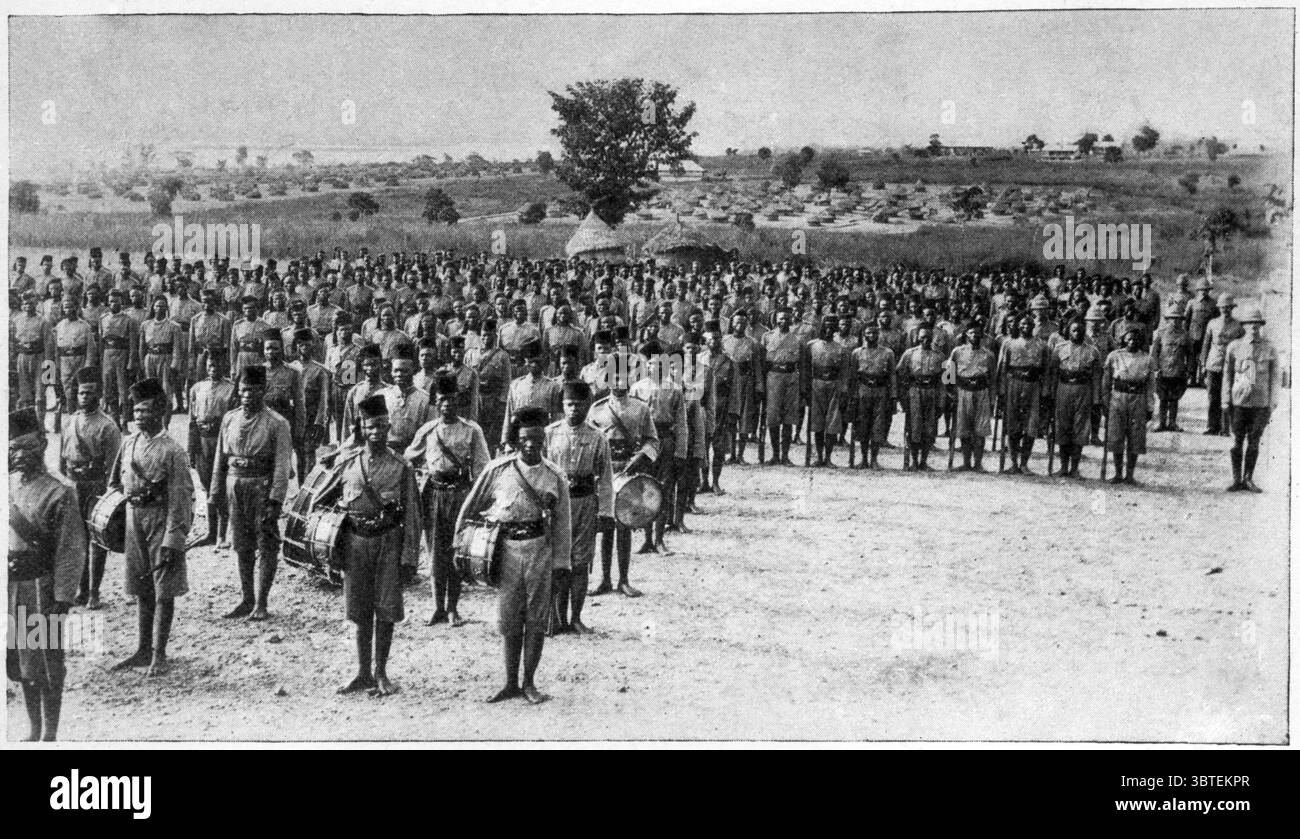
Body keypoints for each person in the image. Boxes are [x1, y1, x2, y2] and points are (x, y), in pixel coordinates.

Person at [458, 407, 572, 705]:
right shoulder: (497, 470)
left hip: (540, 552)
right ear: (516, 440)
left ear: (544, 439)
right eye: (525, 438)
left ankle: (529, 682)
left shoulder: (555, 475)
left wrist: (562, 564)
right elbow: (468, 510)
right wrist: (464, 546)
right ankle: (509, 683)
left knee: (536, 620)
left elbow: (563, 525)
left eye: (537, 438)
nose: (531, 444)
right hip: (506, 552)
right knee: (509, 620)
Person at [311, 395, 423, 695]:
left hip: (388, 543)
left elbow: (412, 514)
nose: (377, 432)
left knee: (386, 610)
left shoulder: (402, 467)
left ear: (389, 427)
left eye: (382, 427)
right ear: (361, 427)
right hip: (355, 544)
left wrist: (409, 556)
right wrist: (330, 537)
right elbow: (321, 500)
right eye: (371, 427)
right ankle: (362, 673)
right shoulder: (347, 463)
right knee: (359, 611)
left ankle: (382, 672)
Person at [7, 408, 86, 740]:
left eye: (28, 447)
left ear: (42, 444)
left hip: (42, 589)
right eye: (14, 448)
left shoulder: (60, 492)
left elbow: (71, 550)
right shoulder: (7, 486)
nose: (21, 455)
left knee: (47, 662)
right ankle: (33, 727)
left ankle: (50, 734)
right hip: (11, 588)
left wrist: (63, 598)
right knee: (19, 662)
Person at [106, 378, 193, 676]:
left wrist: (174, 538)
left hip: (160, 520)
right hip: (134, 521)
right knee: (142, 587)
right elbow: (115, 483)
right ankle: (142, 649)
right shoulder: (129, 442)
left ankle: (159, 654)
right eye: (135, 411)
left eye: (144, 411)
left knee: (163, 590)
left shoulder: (173, 451)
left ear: (159, 411)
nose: (138, 416)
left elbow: (181, 499)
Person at [405, 374, 489, 627]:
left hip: (460, 495)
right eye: (441, 400)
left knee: (455, 552)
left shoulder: (471, 430)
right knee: (434, 554)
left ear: (458, 401)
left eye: (451, 400)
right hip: (433, 495)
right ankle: (436, 607)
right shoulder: (427, 431)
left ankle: (453, 608)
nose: (446, 405)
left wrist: (477, 504)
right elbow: (408, 457)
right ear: (435, 402)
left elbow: (483, 469)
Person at [211, 365, 294, 621]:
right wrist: (216, 491)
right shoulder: (230, 419)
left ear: (264, 391)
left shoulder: (277, 423)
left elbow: (282, 466)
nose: (248, 396)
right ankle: (246, 598)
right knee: (242, 545)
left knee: (266, 544)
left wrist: (275, 500)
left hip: (262, 487)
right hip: (235, 485)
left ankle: (261, 602)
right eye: (244, 390)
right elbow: (220, 458)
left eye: (254, 390)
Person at [544, 380, 614, 635]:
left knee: (581, 562)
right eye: (570, 404)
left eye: (580, 405)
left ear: (588, 407)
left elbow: (605, 478)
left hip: (585, 502)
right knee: (557, 560)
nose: (574, 410)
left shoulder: (597, 437)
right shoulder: (550, 434)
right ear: (562, 406)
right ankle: (556, 616)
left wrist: (606, 512)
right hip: (558, 504)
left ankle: (576, 617)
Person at [587, 368, 658, 598]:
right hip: (604, 473)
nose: (619, 383)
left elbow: (653, 441)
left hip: (628, 470)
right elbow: (587, 440)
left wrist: (640, 457)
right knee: (606, 525)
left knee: (625, 525)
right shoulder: (597, 409)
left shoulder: (641, 408)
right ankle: (605, 579)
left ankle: (624, 580)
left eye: (623, 378)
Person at [59, 367, 121, 608]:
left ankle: (94, 591)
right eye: (81, 393)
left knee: (96, 538)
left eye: (90, 394)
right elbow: (62, 462)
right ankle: (81, 590)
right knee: (76, 541)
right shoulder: (69, 422)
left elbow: (114, 468)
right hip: (74, 485)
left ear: (99, 396)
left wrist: (108, 496)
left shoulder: (108, 426)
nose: (85, 397)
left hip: (96, 486)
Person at [630, 341, 687, 553]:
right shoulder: (637, 388)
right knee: (645, 488)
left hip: (665, 441)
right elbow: (632, 419)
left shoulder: (675, 389)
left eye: (659, 364)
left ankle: (659, 539)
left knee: (663, 488)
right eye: (651, 364)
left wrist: (680, 452)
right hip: (645, 443)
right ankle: (646, 539)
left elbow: (681, 424)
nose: (655, 368)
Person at [1222, 305, 1279, 492]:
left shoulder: (1269, 348)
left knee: (1254, 441)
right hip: (1239, 402)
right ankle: (1236, 479)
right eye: (1249, 324)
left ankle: (1248, 478)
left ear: (1260, 326)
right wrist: (1225, 399)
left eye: (1256, 324)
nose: (1253, 328)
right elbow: (1227, 375)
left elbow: (1274, 377)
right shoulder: (1234, 347)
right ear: (1244, 326)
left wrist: (1272, 401)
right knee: (1236, 441)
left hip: (1260, 403)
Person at [188, 357, 238, 548]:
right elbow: (192, 421)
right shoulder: (197, 388)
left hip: (220, 441)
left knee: (222, 486)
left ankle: (223, 533)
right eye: (210, 365)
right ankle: (211, 531)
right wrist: (191, 449)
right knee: (206, 485)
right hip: (202, 441)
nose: (213, 368)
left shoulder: (230, 389)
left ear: (224, 366)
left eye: (217, 364)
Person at [1047, 318, 1103, 478]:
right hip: (1063, 389)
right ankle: (1063, 467)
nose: (1077, 333)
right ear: (1068, 331)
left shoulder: (1093, 351)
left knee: (1080, 427)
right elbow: (1052, 373)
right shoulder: (1059, 349)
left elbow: (1097, 377)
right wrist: (1051, 393)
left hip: (1083, 390)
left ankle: (1075, 468)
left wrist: (1096, 398)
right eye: (1073, 330)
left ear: (1084, 332)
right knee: (1063, 426)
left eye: (1080, 330)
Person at [1101, 327, 1156, 485]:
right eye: (1129, 339)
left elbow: (1151, 386)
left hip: (1138, 399)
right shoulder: (1114, 356)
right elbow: (1106, 383)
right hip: (1118, 398)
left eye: (1136, 339)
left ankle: (1130, 475)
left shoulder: (1147, 359)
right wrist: (1105, 403)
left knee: (1136, 436)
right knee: (1117, 435)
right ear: (1124, 340)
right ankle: (1118, 473)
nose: (1132, 342)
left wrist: (1150, 407)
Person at [997, 314, 1051, 474]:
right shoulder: (1008, 344)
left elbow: (1047, 370)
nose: (1026, 327)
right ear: (1018, 326)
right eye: (1022, 324)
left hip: (1033, 386)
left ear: (1033, 326)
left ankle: (1024, 463)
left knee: (1031, 425)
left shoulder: (1042, 345)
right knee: (1012, 424)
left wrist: (1045, 390)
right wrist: (1001, 391)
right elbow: (1002, 368)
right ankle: (1013, 462)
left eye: (1029, 324)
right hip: (1013, 384)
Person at [947, 324, 997, 472]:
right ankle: (966, 462)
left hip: (981, 391)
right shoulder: (957, 352)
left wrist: (992, 399)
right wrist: (951, 393)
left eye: (977, 333)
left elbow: (993, 378)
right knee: (963, 428)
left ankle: (978, 463)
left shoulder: (988, 355)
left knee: (980, 430)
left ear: (981, 335)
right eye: (971, 333)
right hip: (963, 391)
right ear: (966, 335)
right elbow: (948, 373)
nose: (974, 336)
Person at [896, 326, 946, 470]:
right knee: (914, 427)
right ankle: (914, 461)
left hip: (932, 392)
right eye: (922, 337)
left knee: (929, 429)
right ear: (917, 337)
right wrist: (903, 396)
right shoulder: (909, 354)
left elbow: (948, 379)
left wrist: (942, 401)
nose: (925, 340)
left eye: (928, 338)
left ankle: (924, 461)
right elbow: (900, 374)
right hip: (914, 392)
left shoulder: (940, 356)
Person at [805, 316, 853, 467]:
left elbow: (845, 372)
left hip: (834, 385)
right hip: (816, 384)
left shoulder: (841, 349)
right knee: (817, 422)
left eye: (832, 327)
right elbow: (806, 369)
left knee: (832, 422)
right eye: (826, 327)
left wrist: (844, 389)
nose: (828, 330)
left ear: (835, 330)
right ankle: (819, 457)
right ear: (821, 327)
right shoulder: (812, 346)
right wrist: (806, 389)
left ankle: (828, 457)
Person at [761, 307, 805, 465]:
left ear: (791, 319)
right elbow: (763, 363)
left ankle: (785, 456)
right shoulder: (767, 337)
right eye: (780, 318)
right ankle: (774, 455)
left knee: (789, 416)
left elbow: (803, 364)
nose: (783, 321)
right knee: (773, 417)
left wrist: (803, 386)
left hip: (791, 378)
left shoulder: (798, 339)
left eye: (786, 318)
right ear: (775, 319)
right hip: (773, 377)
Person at [851, 323, 898, 469]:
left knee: (878, 425)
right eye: (868, 333)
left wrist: (893, 396)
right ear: (863, 335)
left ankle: (874, 459)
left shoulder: (888, 353)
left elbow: (892, 376)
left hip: (881, 390)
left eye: (874, 333)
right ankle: (864, 459)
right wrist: (852, 395)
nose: (871, 336)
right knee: (863, 425)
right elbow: (853, 376)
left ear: (879, 335)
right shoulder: (857, 353)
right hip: (863, 390)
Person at [501, 338, 562, 450]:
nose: (534, 365)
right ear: (525, 362)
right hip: (519, 437)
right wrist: (506, 440)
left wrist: (556, 442)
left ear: (543, 361)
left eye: (538, 361)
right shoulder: (515, 385)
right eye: (530, 361)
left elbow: (556, 418)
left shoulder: (552, 386)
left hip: (543, 439)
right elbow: (509, 414)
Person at [722, 310, 763, 464]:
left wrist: (759, 386)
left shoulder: (752, 343)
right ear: (732, 324)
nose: (740, 325)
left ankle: (740, 455)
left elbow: (757, 366)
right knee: (730, 419)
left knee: (745, 419)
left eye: (743, 323)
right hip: (730, 384)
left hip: (746, 383)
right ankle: (731, 454)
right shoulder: (725, 341)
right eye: (737, 322)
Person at [699, 321, 735, 493]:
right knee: (702, 447)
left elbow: (735, 389)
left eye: (718, 339)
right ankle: (703, 481)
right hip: (702, 408)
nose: (715, 342)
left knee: (719, 449)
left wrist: (733, 411)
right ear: (705, 340)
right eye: (711, 339)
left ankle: (716, 482)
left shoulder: (728, 362)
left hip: (721, 408)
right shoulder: (698, 359)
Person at [292, 327, 332, 477]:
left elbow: (323, 400)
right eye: (301, 344)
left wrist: (320, 423)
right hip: (296, 419)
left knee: (309, 457)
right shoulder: (291, 368)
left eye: (308, 344)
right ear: (296, 346)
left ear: (313, 346)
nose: (304, 348)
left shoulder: (320, 371)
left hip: (311, 418)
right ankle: (302, 492)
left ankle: (310, 494)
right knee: (299, 456)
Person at [1200, 294, 1243, 437]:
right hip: (1213, 364)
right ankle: (1212, 426)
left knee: (1228, 396)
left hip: (1230, 365)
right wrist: (1203, 365)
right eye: (1223, 307)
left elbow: (1242, 346)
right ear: (1219, 308)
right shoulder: (1212, 323)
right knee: (1212, 397)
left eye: (1228, 307)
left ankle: (1225, 428)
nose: (1226, 310)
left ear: (1232, 308)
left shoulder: (1238, 325)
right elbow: (1206, 345)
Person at [100, 288, 141, 429]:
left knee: (123, 390)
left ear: (122, 302)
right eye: (111, 301)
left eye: (116, 301)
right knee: (109, 390)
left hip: (122, 355)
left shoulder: (129, 320)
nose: (113, 304)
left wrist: (131, 362)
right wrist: (101, 361)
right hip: (107, 356)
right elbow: (101, 342)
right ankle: (115, 420)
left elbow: (133, 343)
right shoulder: (103, 319)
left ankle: (124, 423)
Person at [1150, 302, 1194, 431]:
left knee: (1175, 398)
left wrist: (1190, 370)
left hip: (1178, 371)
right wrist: (1156, 368)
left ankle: (1172, 423)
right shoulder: (1161, 334)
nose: (1175, 321)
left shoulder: (1185, 335)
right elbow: (1154, 352)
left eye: (1178, 319)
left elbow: (1190, 354)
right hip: (1163, 371)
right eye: (1172, 318)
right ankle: (1162, 423)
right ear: (1168, 319)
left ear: (1181, 320)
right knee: (1163, 398)